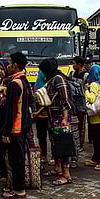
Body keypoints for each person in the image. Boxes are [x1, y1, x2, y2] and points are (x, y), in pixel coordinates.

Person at [0, 52, 32, 199]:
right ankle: (18, 187)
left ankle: (19, 190)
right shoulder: (23, 81)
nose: (8, 65)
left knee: (16, 160)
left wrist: (6, 131)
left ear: (15, 65)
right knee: (19, 159)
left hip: (16, 128)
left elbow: (11, 110)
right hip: (23, 125)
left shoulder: (14, 84)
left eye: (10, 63)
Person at [39, 58, 74, 186]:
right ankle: (58, 168)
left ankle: (66, 175)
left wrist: (65, 119)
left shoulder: (58, 79)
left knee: (62, 145)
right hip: (53, 118)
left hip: (60, 118)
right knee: (55, 144)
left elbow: (64, 100)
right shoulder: (51, 80)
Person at [84, 64, 100, 170]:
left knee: (98, 140)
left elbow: (91, 99)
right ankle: (95, 158)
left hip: (96, 118)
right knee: (98, 139)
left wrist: (86, 90)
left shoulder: (93, 85)